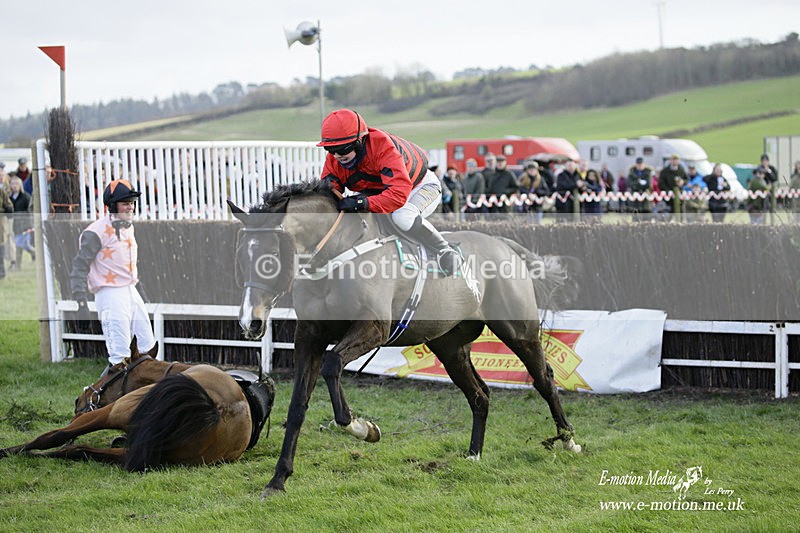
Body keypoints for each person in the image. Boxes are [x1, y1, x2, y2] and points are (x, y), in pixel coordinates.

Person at [317, 109, 462, 275]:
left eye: (343, 149)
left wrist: (361, 202)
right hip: (383, 192)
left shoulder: (383, 147)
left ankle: (445, 250)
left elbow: (398, 196)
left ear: (359, 142)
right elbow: (328, 191)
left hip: (420, 187)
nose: (337, 156)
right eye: (330, 149)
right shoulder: (334, 159)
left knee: (403, 216)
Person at [69, 179, 156, 374]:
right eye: (125, 203)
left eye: (132, 203)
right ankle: (95, 401)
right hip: (109, 295)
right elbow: (79, 267)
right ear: (112, 205)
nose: (130, 207)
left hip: (130, 292)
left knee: (147, 351)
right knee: (120, 359)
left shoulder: (128, 227)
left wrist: (138, 291)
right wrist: (81, 304)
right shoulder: (96, 231)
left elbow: (127, 266)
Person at [8, 177, 34, 269]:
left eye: (16, 183)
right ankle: (35, 255)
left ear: (20, 185)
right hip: (14, 226)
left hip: (25, 225)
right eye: (13, 183)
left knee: (20, 244)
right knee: (25, 246)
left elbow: (29, 211)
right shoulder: (9, 198)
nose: (14, 186)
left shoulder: (26, 197)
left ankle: (18, 266)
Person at [658, 154, 687, 219]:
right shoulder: (665, 171)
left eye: (676, 160)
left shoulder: (681, 169)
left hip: (679, 194)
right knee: (669, 213)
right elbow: (661, 183)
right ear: (670, 160)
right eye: (673, 159)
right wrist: (668, 191)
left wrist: (683, 182)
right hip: (668, 197)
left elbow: (686, 179)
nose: (675, 161)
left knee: (680, 211)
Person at [0, 185, 12, 279]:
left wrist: (8, 209)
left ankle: (1, 272)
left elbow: (9, 206)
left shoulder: (1, 192)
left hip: (0, 225)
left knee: (1, 250)